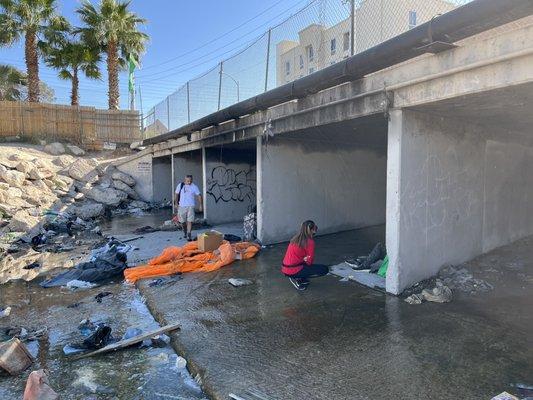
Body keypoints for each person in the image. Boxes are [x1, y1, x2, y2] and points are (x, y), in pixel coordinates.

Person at [281, 220, 329, 291]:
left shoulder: (295, 238)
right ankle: (298, 278)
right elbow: (309, 262)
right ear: (312, 230)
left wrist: (304, 258)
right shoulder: (310, 242)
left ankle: (298, 276)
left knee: (305, 261)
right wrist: (306, 259)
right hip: (293, 270)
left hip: (285, 268)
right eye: (315, 229)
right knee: (324, 269)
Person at [174, 175, 203, 241]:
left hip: (191, 206)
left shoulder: (194, 187)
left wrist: (201, 205)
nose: (189, 182)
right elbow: (176, 194)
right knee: (182, 222)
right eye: (188, 181)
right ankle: (185, 231)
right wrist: (176, 203)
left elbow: (199, 195)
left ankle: (189, 234)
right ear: (185, 180)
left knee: (190, 221)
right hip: (181, 206)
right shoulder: (180, 185)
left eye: (190, 181)